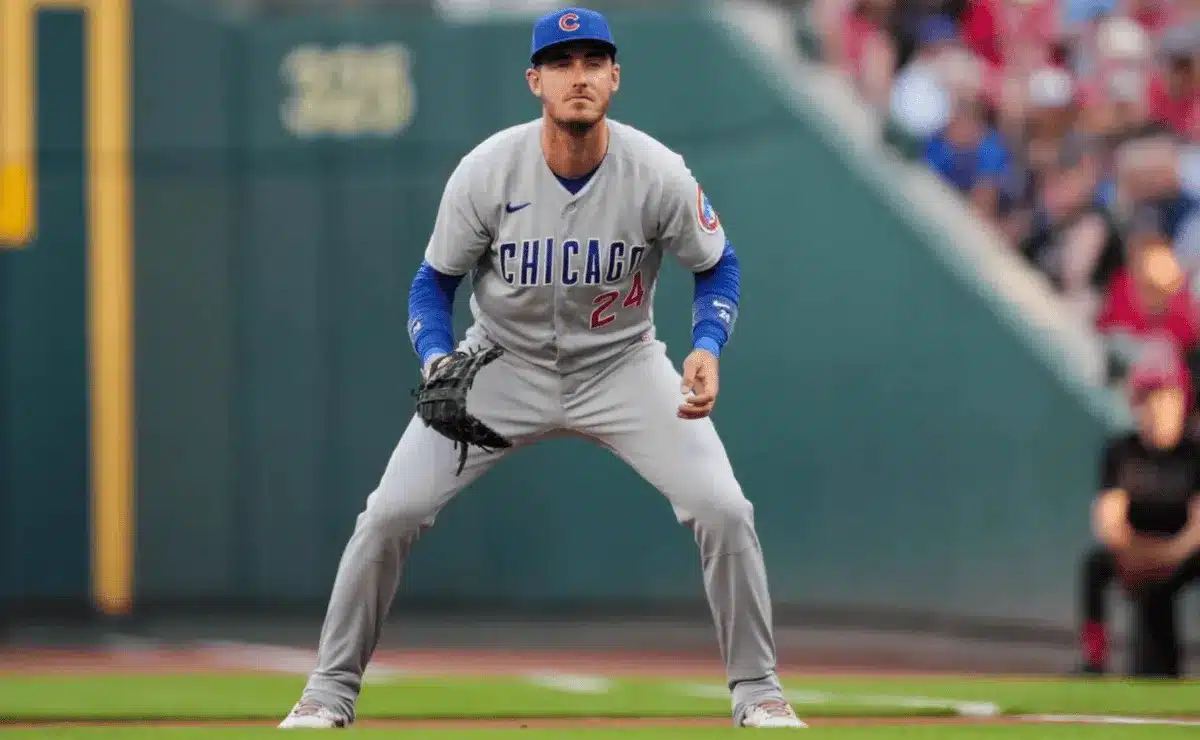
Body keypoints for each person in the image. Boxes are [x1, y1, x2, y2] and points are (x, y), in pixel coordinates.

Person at [278, 6, 805, 730]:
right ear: (535, 80)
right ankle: (327, 694)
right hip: (501, 362)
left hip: (623, 365)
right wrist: (437, 359)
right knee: (390, 514)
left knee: (724, 509)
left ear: (615, 77)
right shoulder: (488, 172)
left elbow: (719, 267)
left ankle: (759, 693)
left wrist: (707, 346)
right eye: (562, 63)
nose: (578, 76)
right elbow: (433, 284)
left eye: (593, 62)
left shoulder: (656, 174)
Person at [1077, 360, 1200, 677]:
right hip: (1136, 552)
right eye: (1150, 400)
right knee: (1095, 564)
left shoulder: (1194, 454)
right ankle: (1095, 659)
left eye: (1168, 400)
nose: (1159, 410)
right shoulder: (1122, 451)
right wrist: (1137, 553)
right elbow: (1109, 519)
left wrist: (1171, 555)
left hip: (1183, 553)